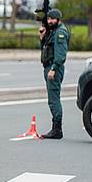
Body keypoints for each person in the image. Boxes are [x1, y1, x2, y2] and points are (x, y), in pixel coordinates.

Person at [38, 8, 70, 139]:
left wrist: (54, 68)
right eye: (48, 19)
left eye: (52, 19)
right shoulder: (53, 31)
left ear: (58, 19)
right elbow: (47, 49)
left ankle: (57, 130)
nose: (50, 21)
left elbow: (61, 54)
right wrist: (42, 38)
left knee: (53, 99)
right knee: (52, 98)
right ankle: (56, 129)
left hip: (53, 68)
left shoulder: (60, 33)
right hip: (49, 67)